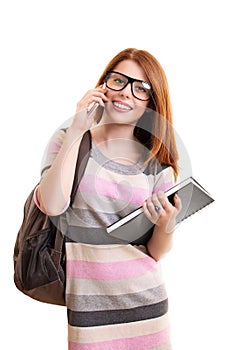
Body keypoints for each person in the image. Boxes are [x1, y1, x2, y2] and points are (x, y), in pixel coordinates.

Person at [34, 48, 181, 349]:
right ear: (103, 85)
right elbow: (51, 205)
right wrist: (77, 128)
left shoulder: (156, 165)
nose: (126, 93)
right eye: (119, 81)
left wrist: (167, 224)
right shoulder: (69, 139)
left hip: (147, 306)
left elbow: (155, 251)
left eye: (141, 89)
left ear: (151, 103)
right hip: (89, 309)